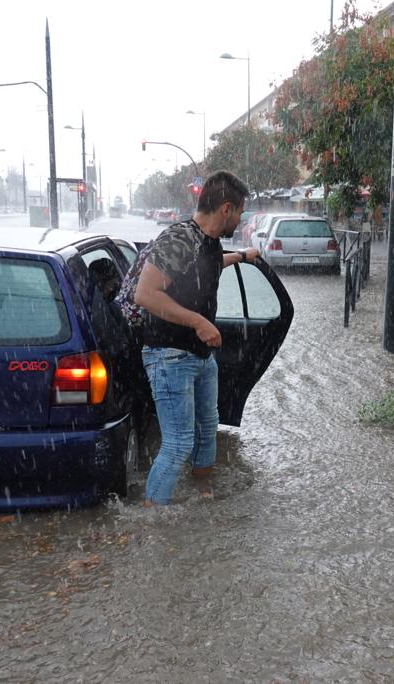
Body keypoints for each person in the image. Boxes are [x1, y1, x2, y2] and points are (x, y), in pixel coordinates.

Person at [132, 170, 259, 506]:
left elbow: (210, 263)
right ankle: (152, 522)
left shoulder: (207, 241)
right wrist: (198, 322)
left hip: (201, 357)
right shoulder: (178, 238)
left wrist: (244, 256)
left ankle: (204, 499)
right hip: (168, 355)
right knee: (177, 444)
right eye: (241, 211)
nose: (242, 218)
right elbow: (145, 294)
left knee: (208, 430)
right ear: (226, 209)